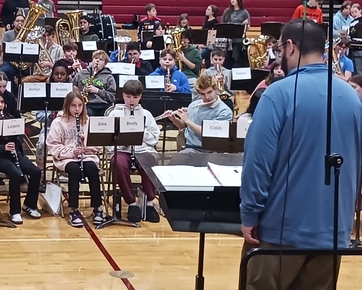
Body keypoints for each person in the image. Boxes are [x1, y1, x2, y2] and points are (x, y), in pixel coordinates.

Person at [220, 18, 362, 290]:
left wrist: (249, 212)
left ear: (289, 47)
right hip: (335, 227)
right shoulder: (351, 97)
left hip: (281, 226)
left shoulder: (277, 94)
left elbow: (259, 162)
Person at [0, 90, 42, 223]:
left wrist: (15, 140)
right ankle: (15, 211)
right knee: (14, 173)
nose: (0, 105)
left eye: (2, 102)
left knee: (35, 172)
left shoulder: (10, 118)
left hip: (14, 154)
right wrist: (3, 147)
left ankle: (30, 205)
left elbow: (19, 138)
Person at [46, 90, 105, 228]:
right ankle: (73, 209)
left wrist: (86, 146)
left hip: (86, 156)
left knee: (92, 168)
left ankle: (97, 207)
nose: (77, 109)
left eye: (80, 105)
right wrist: (72, 151)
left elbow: (98, 144)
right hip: (66, 158)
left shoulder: (87, 121)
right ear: (67, 106)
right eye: (74, 106)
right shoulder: (58, 122)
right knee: (75, 170)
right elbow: (53, 146)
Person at [106, 80, 161, 225]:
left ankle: (149, 201)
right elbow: (107, 139)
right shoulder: (114, 113)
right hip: (122, 150)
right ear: (123, 96)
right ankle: (131, 203)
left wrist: (138, 133)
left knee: (149, 161)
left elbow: (154, 138)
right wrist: (122, 139)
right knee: (118, 163)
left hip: (142, 149)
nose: (132, 100)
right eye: (128, 97)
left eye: (135, 98)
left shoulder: (147, 114)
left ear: (140, 97)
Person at [168, 72, 233, 149]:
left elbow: (208, 133)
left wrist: (187, 120)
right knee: (175, 161)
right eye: (202, 94)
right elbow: (184, 127)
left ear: (216, 89)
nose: (207, 97)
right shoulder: (193, 105)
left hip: (212, 150)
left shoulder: (225, 111)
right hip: (190, 147)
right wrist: (175, 119)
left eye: (209, 92)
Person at [73, 50, 116, 116]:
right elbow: (73, 88)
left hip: (104, 105)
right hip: (87, 104)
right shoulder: (81, 74)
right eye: (96, 58)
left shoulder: (109, 77)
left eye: (101, 59)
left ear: (105, 64)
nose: (97, 61)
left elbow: (112, 97)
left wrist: (97, 91)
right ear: (92, 60)